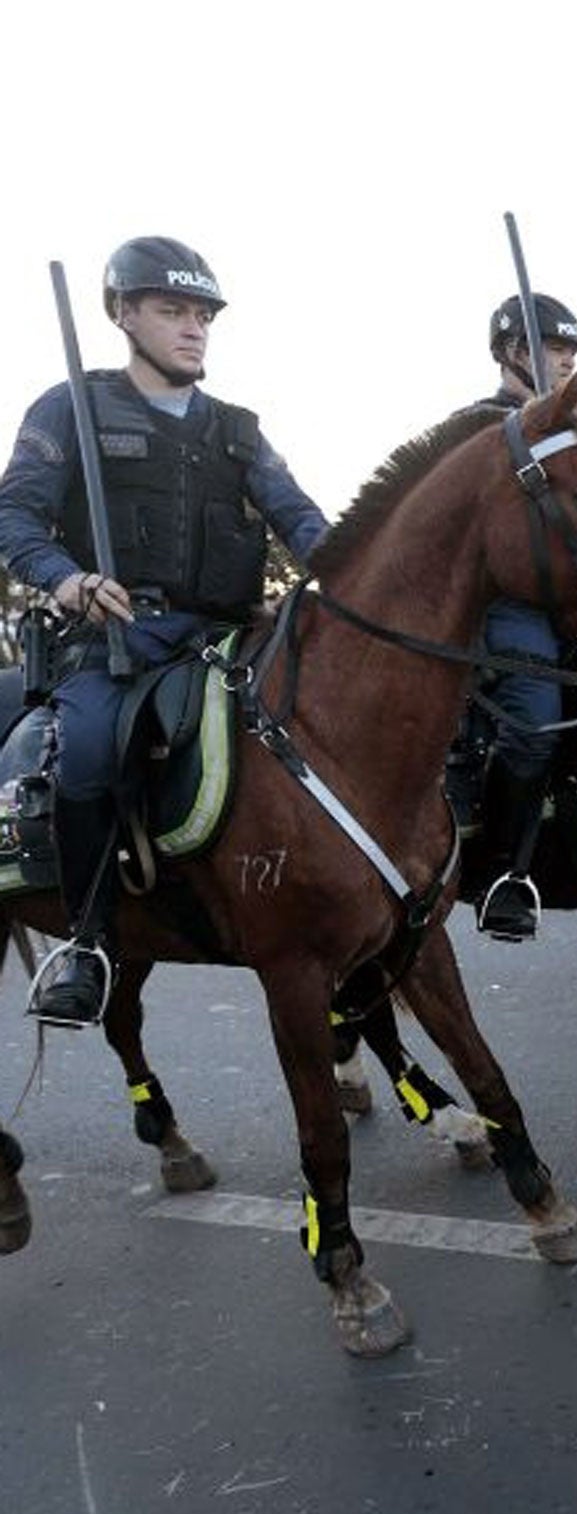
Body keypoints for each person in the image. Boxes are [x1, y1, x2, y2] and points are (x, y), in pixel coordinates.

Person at [0, 237, 328, 1025]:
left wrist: (349, 577)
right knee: (86, 753)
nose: (193, 329)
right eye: (172, 311)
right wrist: (68, 581)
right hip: (118, 636)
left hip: (228, 635)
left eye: (202, 315)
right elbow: (15, 514)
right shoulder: (68, 406)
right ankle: (86, 943)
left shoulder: (239, 430)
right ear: (123, 314)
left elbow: (303, 521)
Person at [466, 293, 577, 939]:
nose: (567, 361)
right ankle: (501, 873)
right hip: (508, 609)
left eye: (571, 352)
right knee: (535, 723)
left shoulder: (576, 431)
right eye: (554, 349)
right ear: (514, 352)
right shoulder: (476, 428)